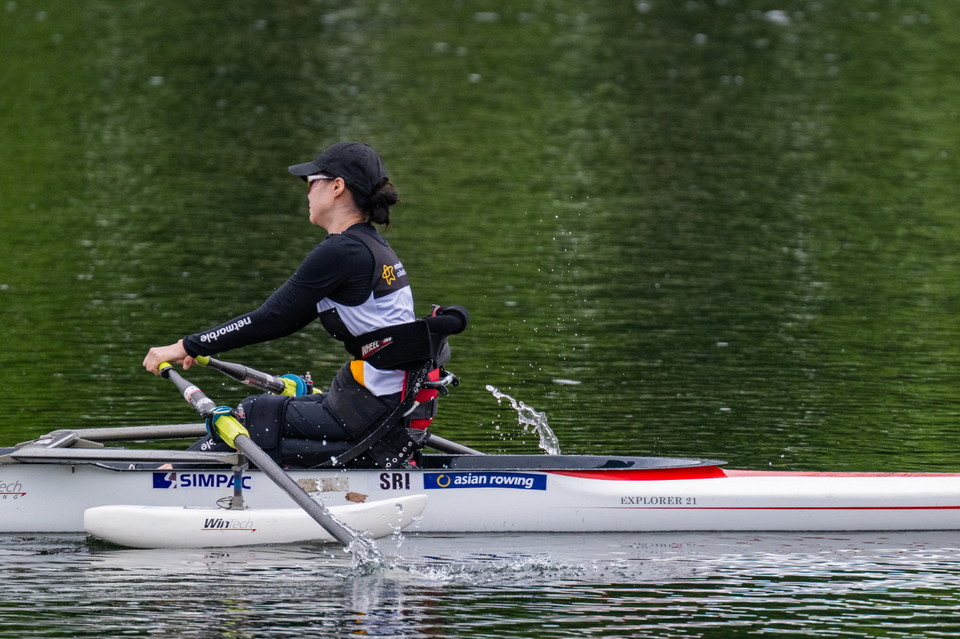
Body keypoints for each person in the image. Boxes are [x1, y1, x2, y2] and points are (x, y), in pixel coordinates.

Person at [143, 141, 466, 468]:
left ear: (337, 187)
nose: (308, 192)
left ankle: (163, 481)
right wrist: (197, 348)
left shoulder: (344, 252)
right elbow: (286, 320)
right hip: (376, 403)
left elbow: (268, 319)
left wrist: (185, 346)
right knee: (265, 418)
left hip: (371, 409)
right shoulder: (369, 246)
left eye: (312, 182)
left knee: (255, 413)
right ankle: (175, 474)